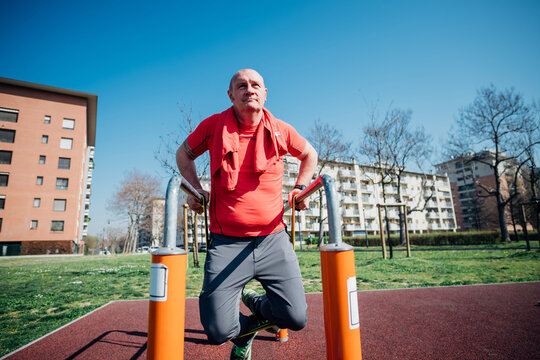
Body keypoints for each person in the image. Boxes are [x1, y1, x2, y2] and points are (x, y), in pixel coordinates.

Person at [176, 68, 318, 359]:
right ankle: (245, 332)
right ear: (231, 95)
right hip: (227, 241)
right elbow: (184, 154)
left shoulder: (280, 129)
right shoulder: (214, 127)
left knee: (295, 318)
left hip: (273, 239)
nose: (249, 89)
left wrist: (300, 188)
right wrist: (196, 189)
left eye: (256, 85)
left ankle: (256, 303)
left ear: (265, 94)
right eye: (241, 85)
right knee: (217, 332)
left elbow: (309, 154)